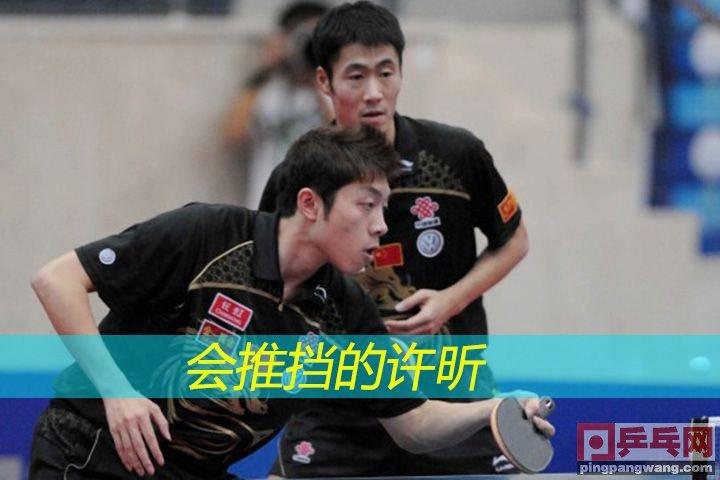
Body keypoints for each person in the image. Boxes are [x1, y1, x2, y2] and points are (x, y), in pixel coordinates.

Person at [28, 125, 551, 480]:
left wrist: (494, 408)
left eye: (385, 208)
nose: (381, 226)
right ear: (310, 204)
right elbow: (56, 281)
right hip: (92, 454)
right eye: (367, 205)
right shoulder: (207, 234)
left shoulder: (345, 310)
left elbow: (412, 424)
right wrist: (117, 394)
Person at [259, 1, 531, 477]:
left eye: (386, 73)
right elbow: (271, 285)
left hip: (450, 393)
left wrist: (450, 301)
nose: (374, 93)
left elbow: (514, 240)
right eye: (356, 76)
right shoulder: (297, 176)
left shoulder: (455, 155)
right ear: (324, 81)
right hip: (339, 407)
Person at [221, 1, 332, 208]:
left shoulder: (333, 91)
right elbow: (232, 135)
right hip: (266, 209)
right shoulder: (267, 92)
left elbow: (347, 135)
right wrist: (266, 68)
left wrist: (317, 76)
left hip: (317, 210)